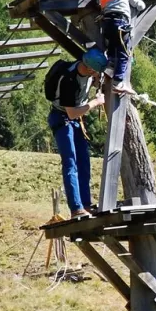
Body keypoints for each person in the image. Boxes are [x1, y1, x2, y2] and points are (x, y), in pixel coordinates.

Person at [43, 47, 107, 219]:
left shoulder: (88, 69)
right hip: (62, 118)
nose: (96, 75)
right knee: (70, 161)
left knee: (84, 162)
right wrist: (96, 102)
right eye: (95, 73)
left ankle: (86, 204)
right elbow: (72, 113)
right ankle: (76, 208)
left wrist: (97, 82)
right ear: (89, 68)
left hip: (76, 121)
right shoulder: (69, 80)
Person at [97, 0, 146, 88]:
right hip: (120, 23)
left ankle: (111, 64)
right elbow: (140, 5)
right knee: (123, 53)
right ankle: (117, 83)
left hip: (107, 25)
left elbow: (103, 8)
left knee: (112, 47)